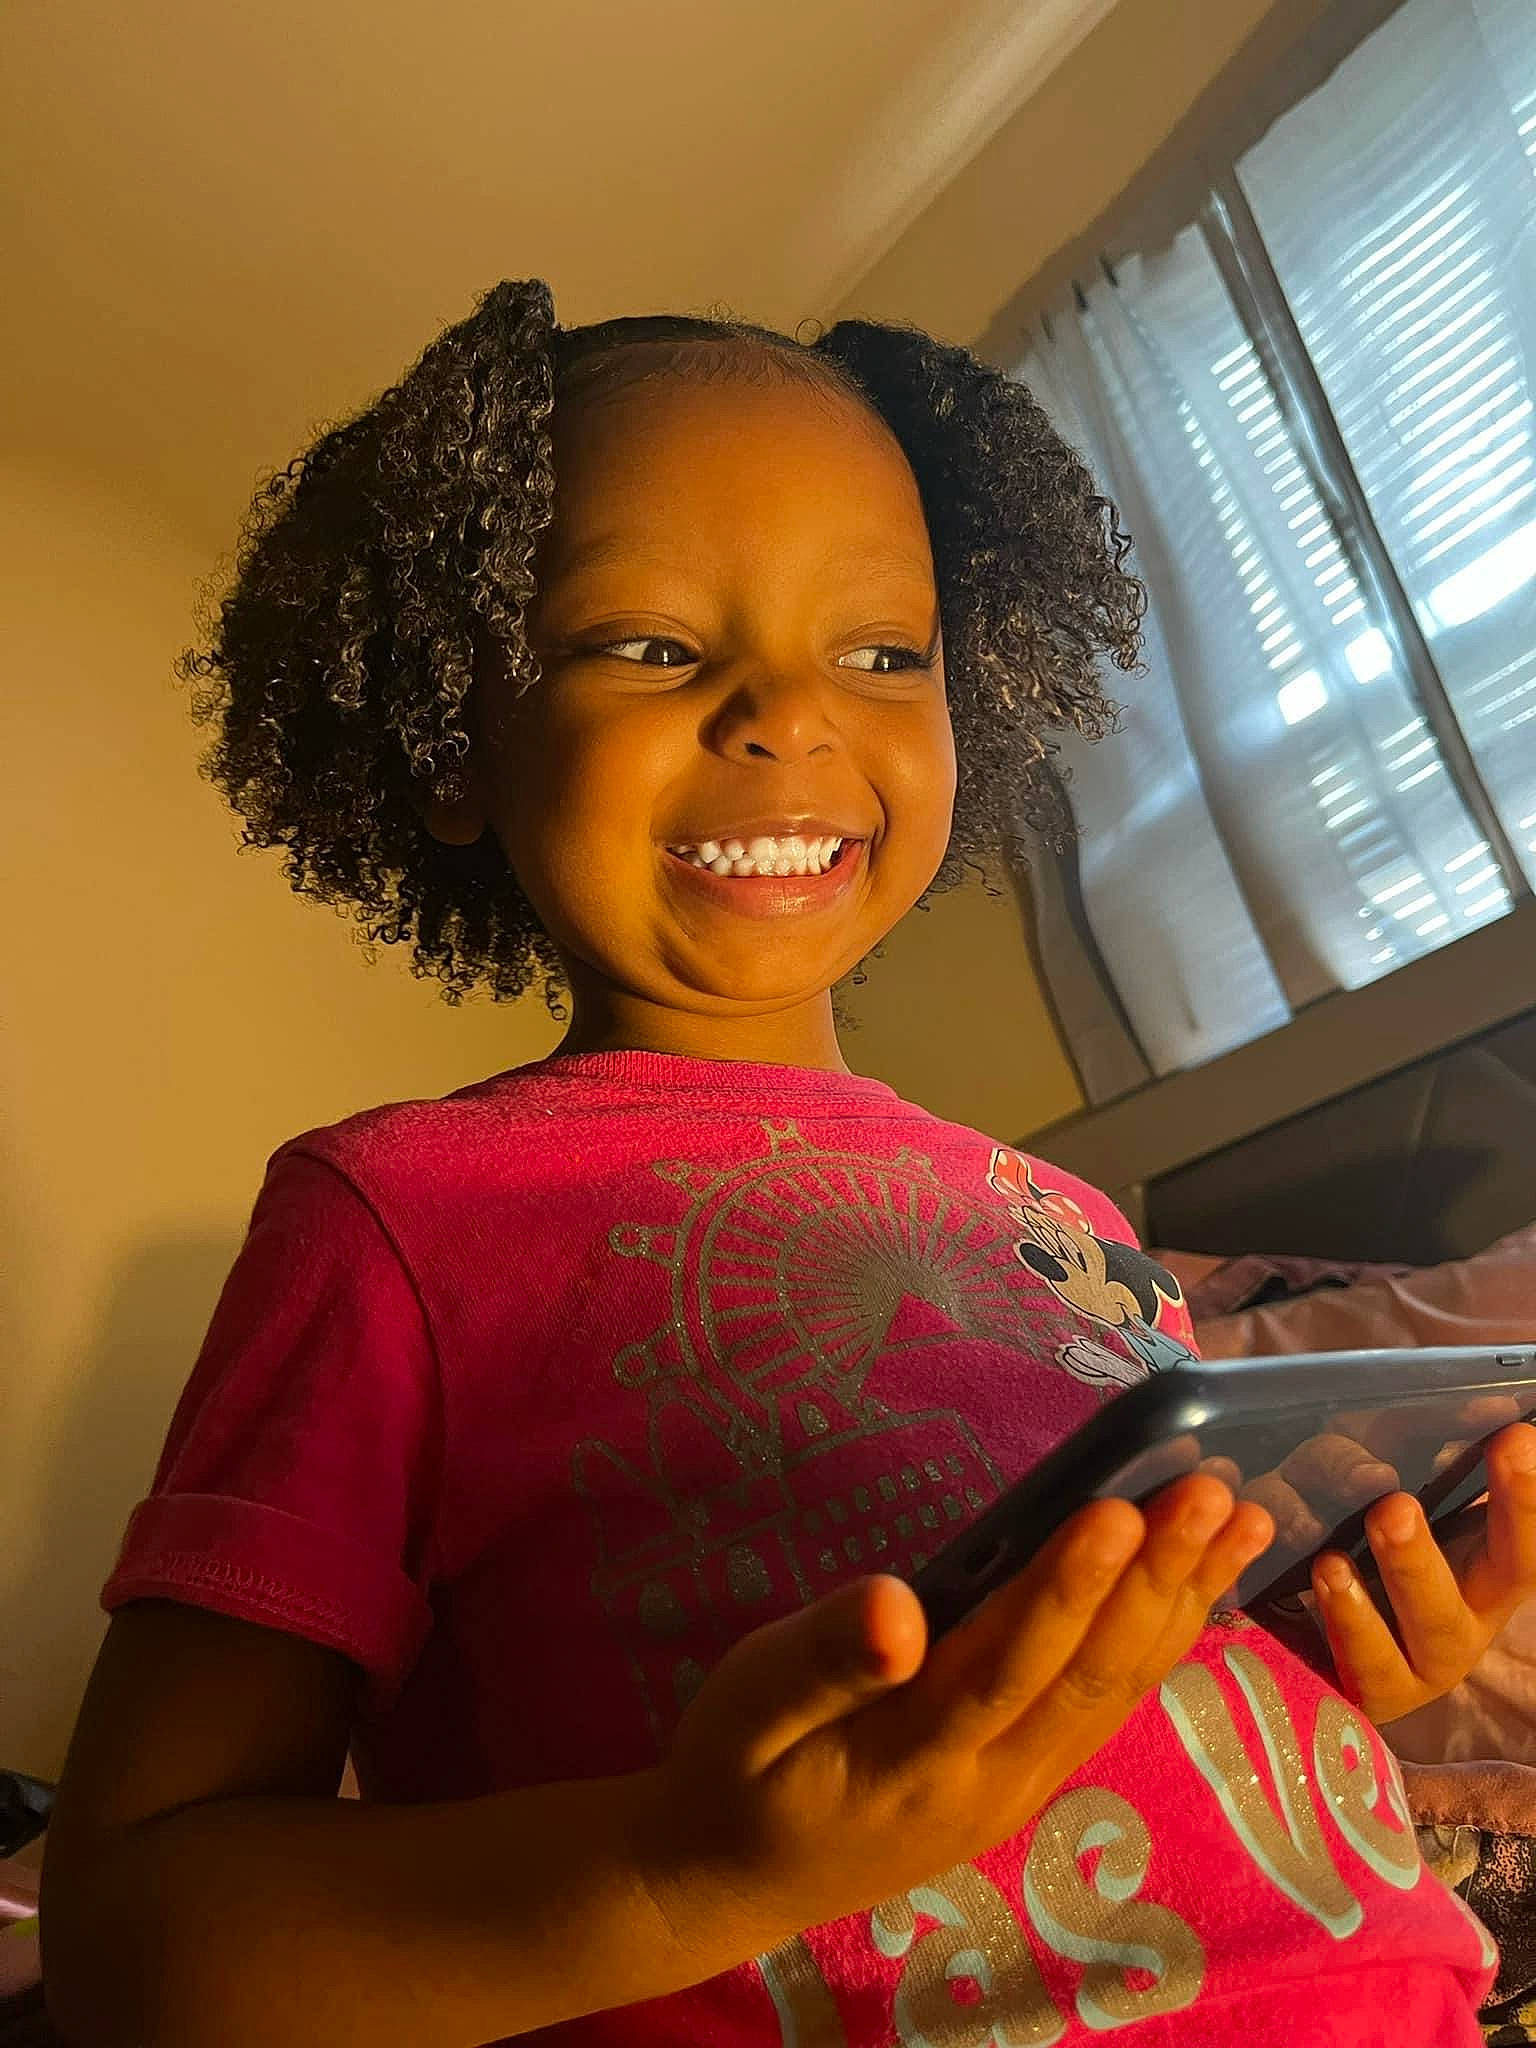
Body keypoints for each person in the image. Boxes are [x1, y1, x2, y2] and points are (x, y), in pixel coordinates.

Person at [39, 280, 1536, 2048]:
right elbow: (133, 1935)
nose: (787, 710)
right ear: (455, 741)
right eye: (651, 645)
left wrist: (1321, 1664)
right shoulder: (394, 1218)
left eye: (884, 652)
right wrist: (688, 1871)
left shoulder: (1068, 1221)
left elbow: (1089, 1721)